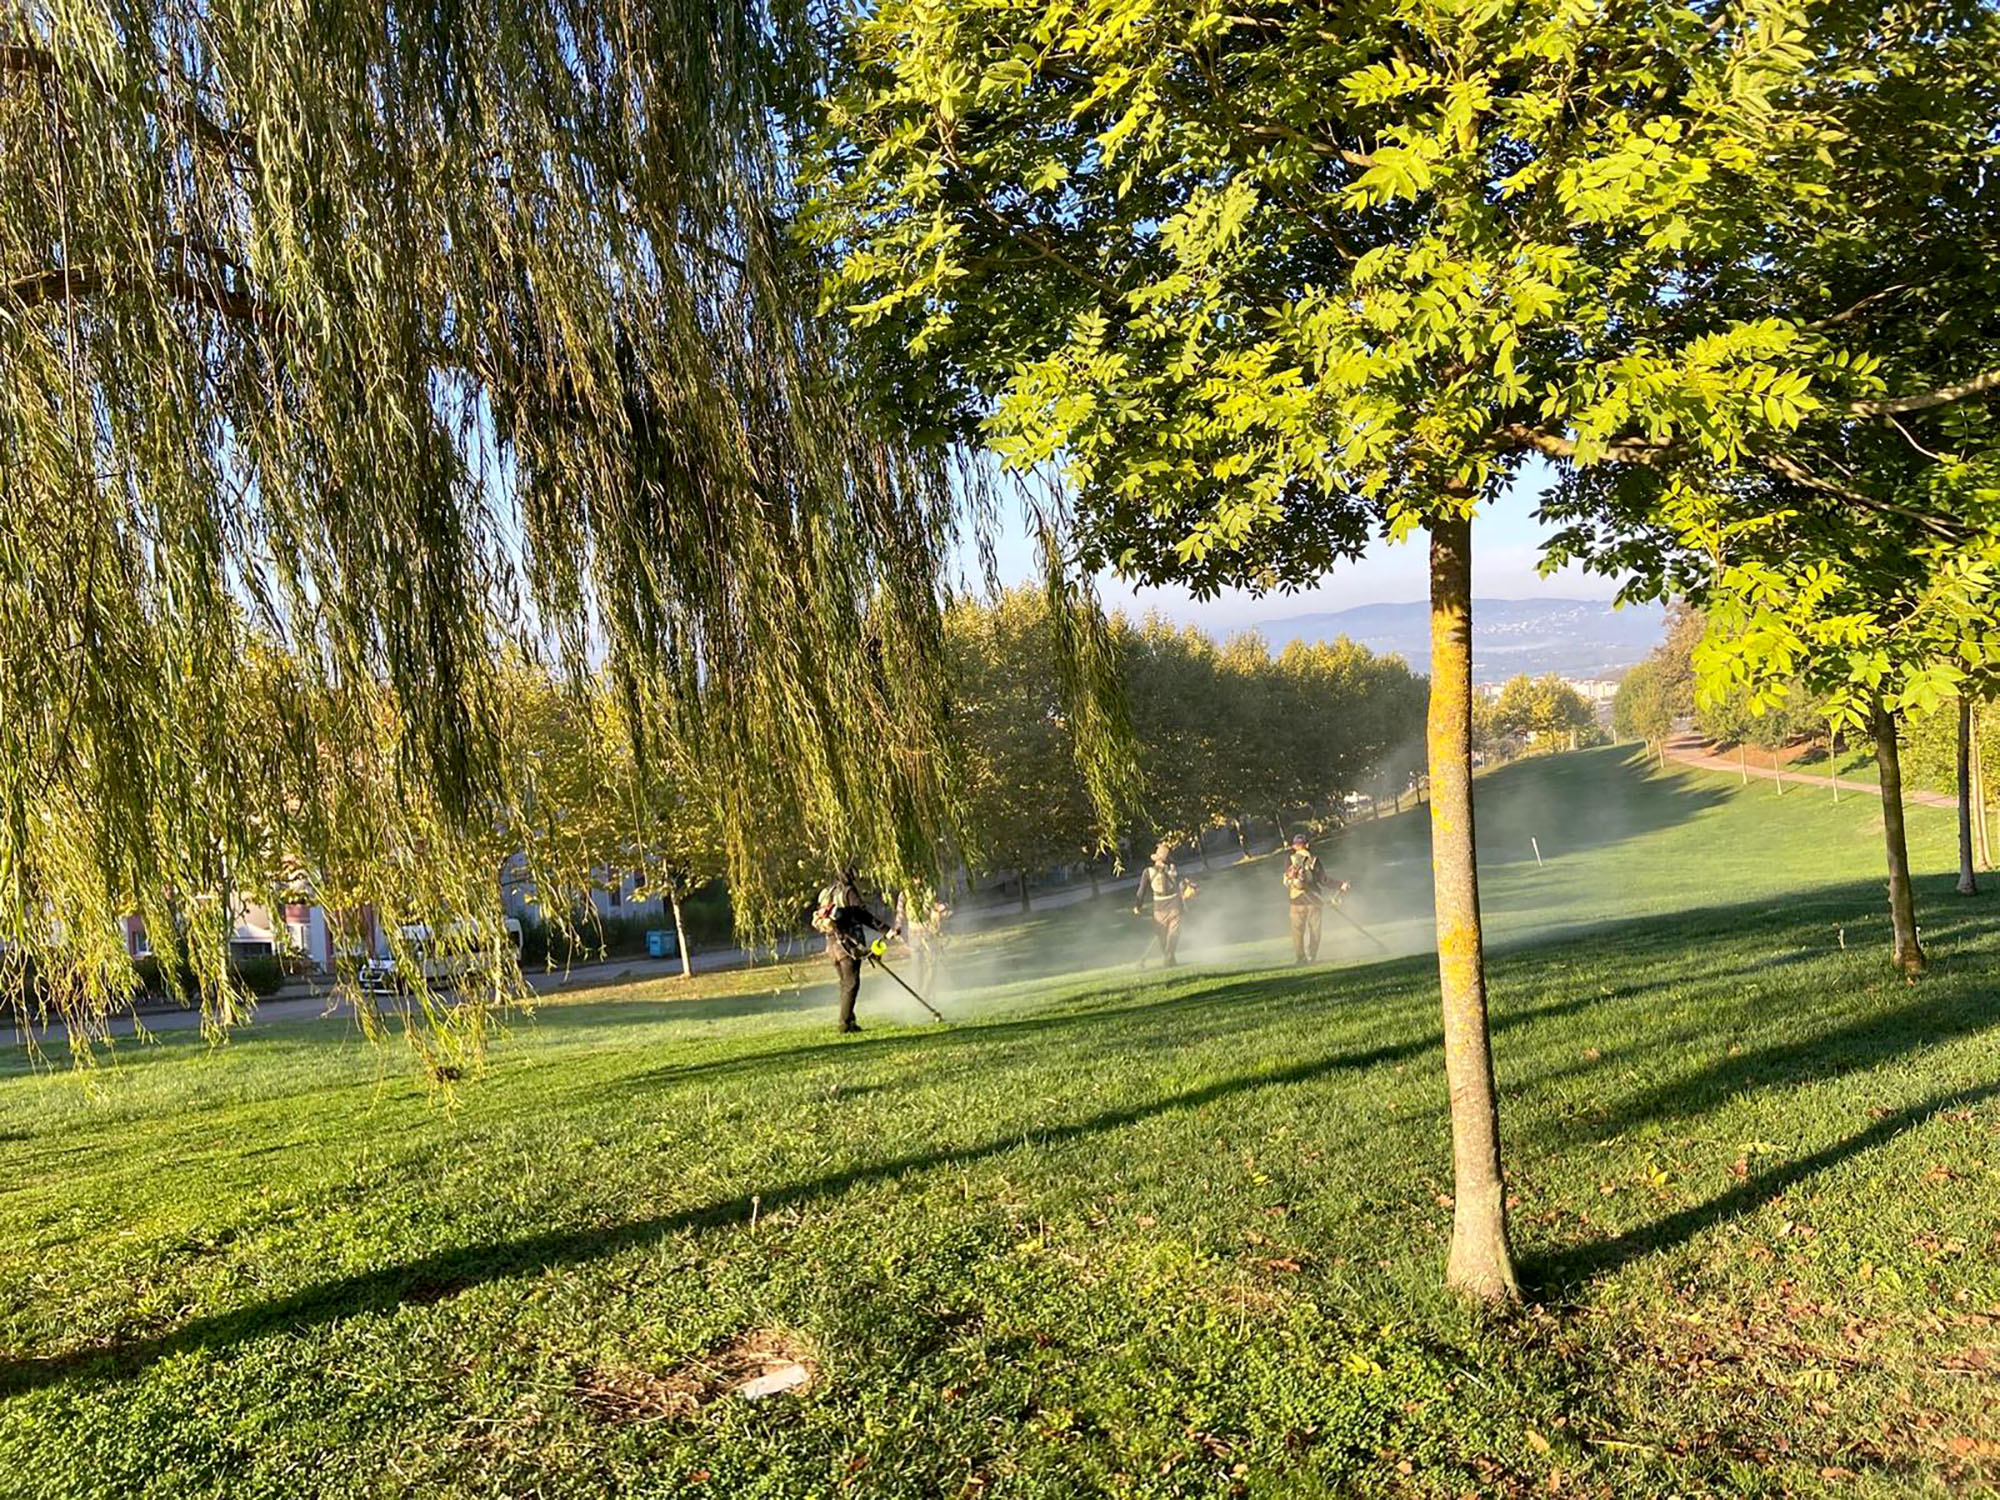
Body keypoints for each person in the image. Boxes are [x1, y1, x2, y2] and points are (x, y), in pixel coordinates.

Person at [812, 865, 892, 1033]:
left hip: (832, 946)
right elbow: (863, 915)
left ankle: (850, 1021)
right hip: (847, 946)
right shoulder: (848, 892)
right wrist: (885, 929)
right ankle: (844, 1023)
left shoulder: (827, 892)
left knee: (845, 984)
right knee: (851, 983)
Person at [1282, 833, 1349, 963]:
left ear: (1294, 846)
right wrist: (1340, 885)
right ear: (1307, 845)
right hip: (1314, 901)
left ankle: (1301, 959)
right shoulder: (1314, 860)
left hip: (1296, 902)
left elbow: (1287, 879)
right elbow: (1323, 880)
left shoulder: (1288, 860)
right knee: (1315, 931)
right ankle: (1312, 957)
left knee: (1297, 932)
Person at [1133, 841, 1192, 967]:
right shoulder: (1173, 869)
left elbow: (1141, 890)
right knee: (1173, 933)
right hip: (1174, 904)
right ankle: (1170, 957)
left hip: (1159, 907)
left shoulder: (1147, 872)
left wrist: (1138, 906)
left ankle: (1168, 957)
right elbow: (1182, 884)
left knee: (1162, 935)